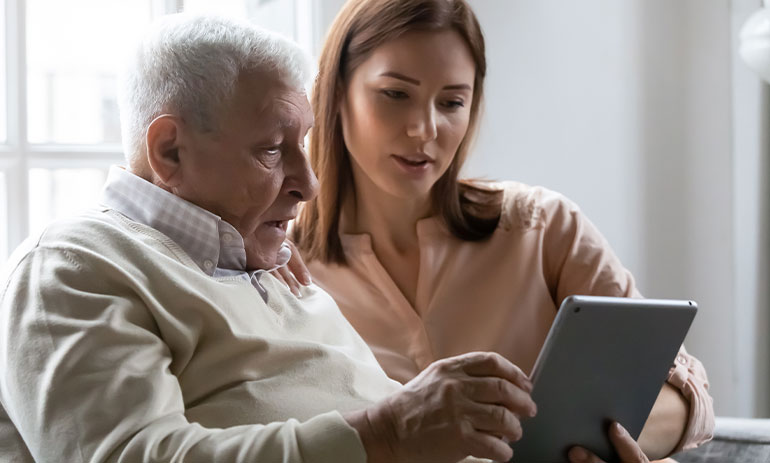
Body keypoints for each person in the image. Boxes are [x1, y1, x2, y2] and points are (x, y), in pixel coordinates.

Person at [0, 14, 540, 463]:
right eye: (272, 150)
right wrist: (385, 434)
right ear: (169, 151)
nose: (308, 184)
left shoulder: (263, 258)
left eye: (301, 144)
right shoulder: (75, 265)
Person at [290, 0, 715, 461]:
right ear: (334, 93)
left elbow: (686, 395)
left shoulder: (543, 228)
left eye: (452, 102)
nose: (424, 129)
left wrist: (599, 447)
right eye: (395, 94)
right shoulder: (283, 270)